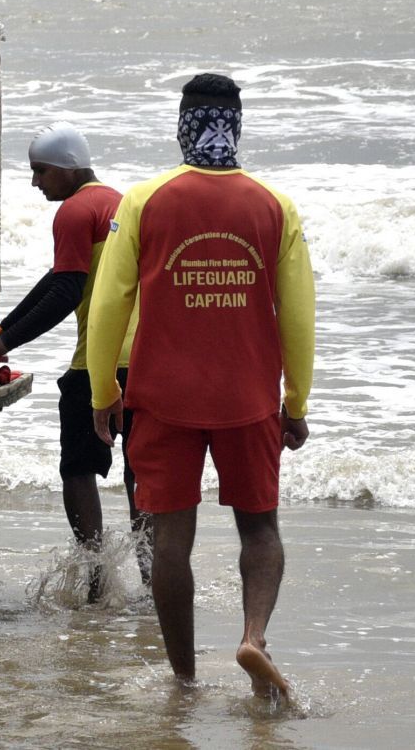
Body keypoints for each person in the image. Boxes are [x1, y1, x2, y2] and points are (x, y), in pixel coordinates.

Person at [87, 73, 315, 698]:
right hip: (247, 397)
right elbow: (297, 315)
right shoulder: (274, 205)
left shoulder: (143, 200)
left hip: (162, 397)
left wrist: (102, 392)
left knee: (170, 539)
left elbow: (109, 303)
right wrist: (295, 402)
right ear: (237, 125)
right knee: (260, 527)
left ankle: (184, 679)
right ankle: (252, 637)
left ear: (181, 124)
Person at [0, 122, 144, 597]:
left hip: (99, 365)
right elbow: (57, 277)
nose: (36, 182)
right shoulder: (124, 203)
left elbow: (67, 291)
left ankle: (97, 578)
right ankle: (154, 579)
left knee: (77, 469)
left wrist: (4, 346)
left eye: (40, 171)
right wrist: (1, 331)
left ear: (66, 168)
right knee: (142, 470)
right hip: (149, 362)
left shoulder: (74, 210)